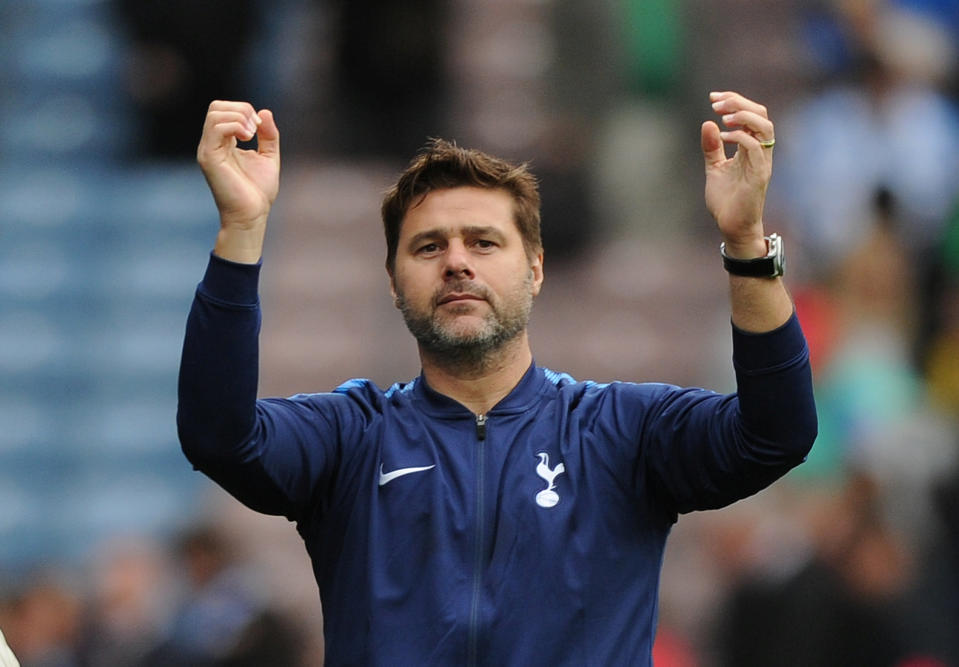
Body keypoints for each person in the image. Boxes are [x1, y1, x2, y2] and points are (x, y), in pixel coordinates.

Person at [178, 92, 817, 665]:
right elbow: (220, 438)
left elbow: (776, 435)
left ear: (535, 268)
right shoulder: (352, 436)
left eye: (483, 243)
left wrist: (745, 241)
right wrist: (242, 228)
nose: (456, 261)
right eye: (428, 247)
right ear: (395, 283)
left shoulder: (622, 430)